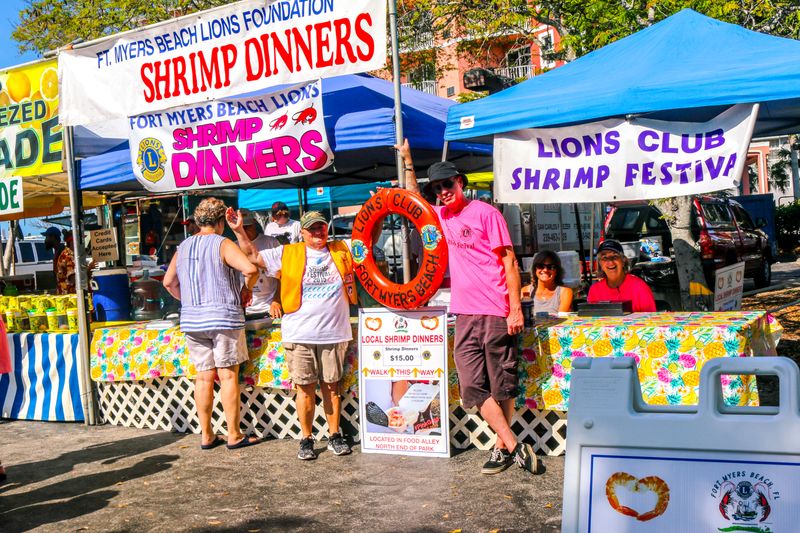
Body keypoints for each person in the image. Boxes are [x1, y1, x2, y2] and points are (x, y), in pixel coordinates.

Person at [398, 139, 543, 476]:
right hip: (464, 311)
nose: (444, 191)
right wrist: (408, 160)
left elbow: (509, 262)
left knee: (501, 383)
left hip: (495, 309)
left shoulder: (486, 212)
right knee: (471, 385)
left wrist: (516, 308)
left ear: (460, 182)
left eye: (448, 184)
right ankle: (514, 443)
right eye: (437, 187)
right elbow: (412, 203)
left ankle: (499, 449)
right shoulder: (440, 217)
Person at [228, 209, 357, 460]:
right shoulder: (288, 252)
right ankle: (306, 438)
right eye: (312, 229)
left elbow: (367, 244)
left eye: (321, 227)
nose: (318, 232)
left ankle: (334, 435)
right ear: (303, 233)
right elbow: (252, 256)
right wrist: (238, 231)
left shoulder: (342, 248)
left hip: (333, 332)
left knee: (332, 386)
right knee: (305, 388)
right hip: (299, 333)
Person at [163, 198, 262, 450]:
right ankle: (234, 434)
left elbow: (168, 283)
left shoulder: (183, 247)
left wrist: (191, 301)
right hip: (224, 317)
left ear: (197, 222)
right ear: (220, 222)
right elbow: (250, 270)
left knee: (204, 378)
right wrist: (245, 291)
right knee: (228, 375)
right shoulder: (222, 243)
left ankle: (206, 434)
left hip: (193, 320)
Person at [588, 239, 657, 312]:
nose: (610, 262)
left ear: (623, 260)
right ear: (600, 264)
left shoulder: (639, 288)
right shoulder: (595, 291)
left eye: (615, 256)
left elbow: (651, 319)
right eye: (604, 258)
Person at [238, 209, 282, 319]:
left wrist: (277, 300)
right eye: (241, 228)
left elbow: (282, 275)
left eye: (247, 226)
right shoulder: (233, 246)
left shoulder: (271, 242)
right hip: (244, 307)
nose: (244, 230)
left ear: (254, 223)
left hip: (269, 306)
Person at [43, 227, 75, 295]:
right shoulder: (57, 252)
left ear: (53, 237)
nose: (45, 240)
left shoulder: (65, 253)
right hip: (62, 293)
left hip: (69, 295)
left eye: (46, 237)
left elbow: (72, 277)